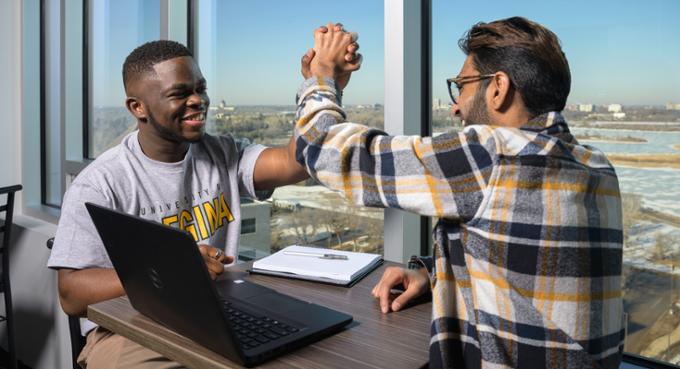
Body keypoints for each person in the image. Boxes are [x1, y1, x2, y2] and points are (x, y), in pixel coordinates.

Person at [297, 19, 624, 368]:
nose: (455, 106)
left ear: (498, 87)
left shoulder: (493, 153)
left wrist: (322, 76)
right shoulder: (597, 167)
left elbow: (325, 151)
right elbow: (527, 268)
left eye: (462, 87)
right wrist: (432, 274)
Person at [47, 37, 357, 369]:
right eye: (180, 94)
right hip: (130, 329)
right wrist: (172, 272)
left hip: (217, 316)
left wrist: (323, 84)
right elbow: (71, 295)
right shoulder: (101, 183)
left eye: (201, 88)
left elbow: (295, 164)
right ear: (137, 107)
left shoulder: (223, 153)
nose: (198, 100)